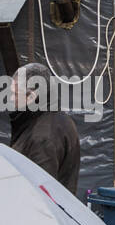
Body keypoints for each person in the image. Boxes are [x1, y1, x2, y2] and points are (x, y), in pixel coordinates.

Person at [8, 63, 80, 194]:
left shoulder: (43, 137)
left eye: (16, 94)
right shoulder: (60, 119)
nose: (11, 99)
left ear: (31, 97)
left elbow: (41, 195)